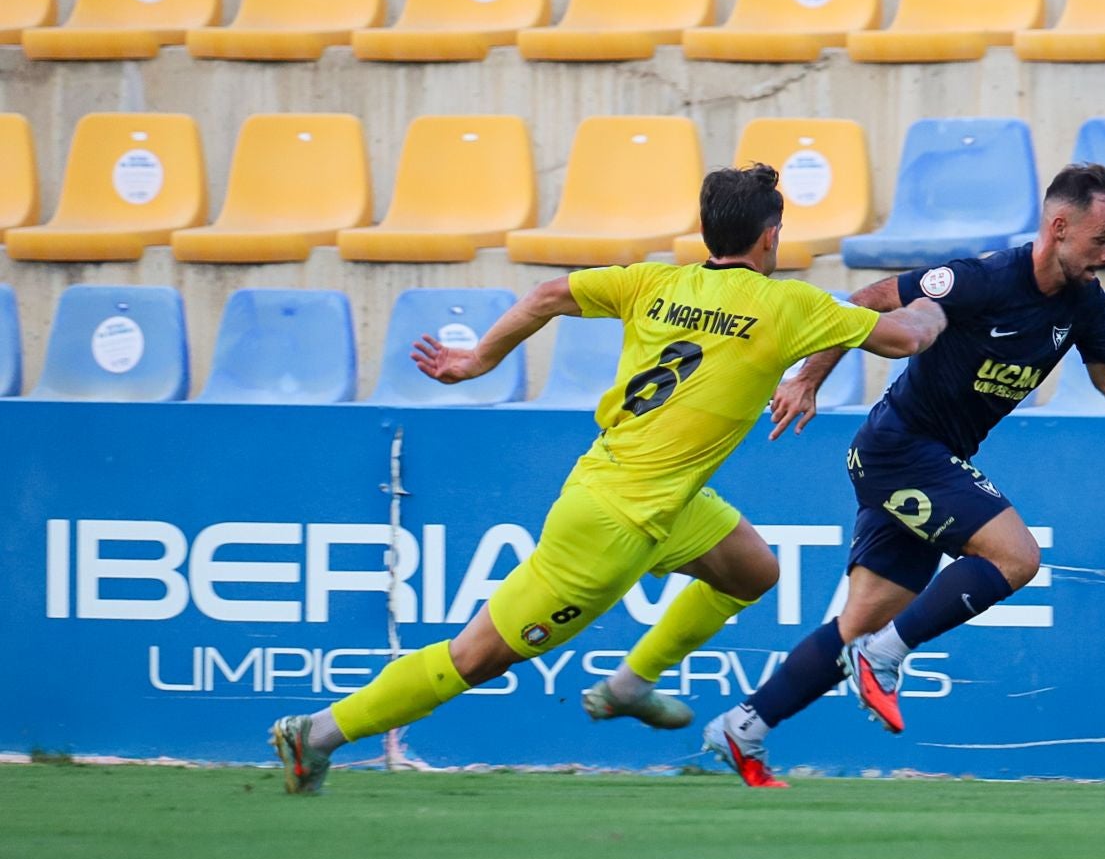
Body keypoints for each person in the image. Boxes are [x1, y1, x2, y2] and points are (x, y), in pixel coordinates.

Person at [267, 164, 948, 793]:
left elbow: (547, 294)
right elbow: (906, 338)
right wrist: (944, 298)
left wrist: (478, 360)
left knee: (753, 570)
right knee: (474, 657)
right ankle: (317, 735)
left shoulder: (654, 282)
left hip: (661, 497)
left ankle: (630, 682)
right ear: (771, 237)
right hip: (610, 525)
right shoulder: (788, 305)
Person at [702, 163, 1105, 788]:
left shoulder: (1082, 303)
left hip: (928, 459)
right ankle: (886, 657)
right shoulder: (981, 279)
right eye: (1102, 239)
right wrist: (808, 377)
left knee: (856, 623)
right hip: (901, 448)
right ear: (1059, 226)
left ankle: (744, 725)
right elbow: (867, 301)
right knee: (1016, 557)